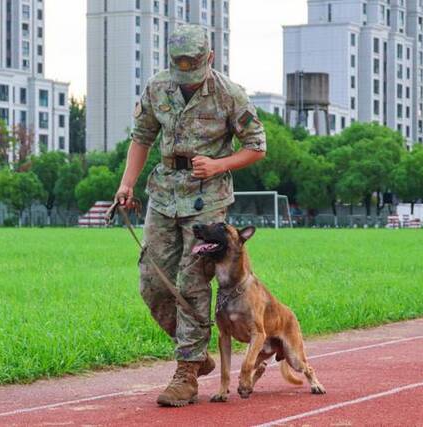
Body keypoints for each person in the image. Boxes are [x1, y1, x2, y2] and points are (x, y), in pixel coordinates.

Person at [115, 24, 267, 407]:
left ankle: (186, 373)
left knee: (192, 283)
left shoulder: (229, 94)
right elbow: (142, 137)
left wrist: (219, 165)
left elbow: (256, 146)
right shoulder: (158, 87)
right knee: (152, 282)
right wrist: (126, 184)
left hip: (207, 203)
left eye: (193, 66)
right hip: (164, 194)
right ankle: (197, 353)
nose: (186, 75)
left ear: (209, 59)